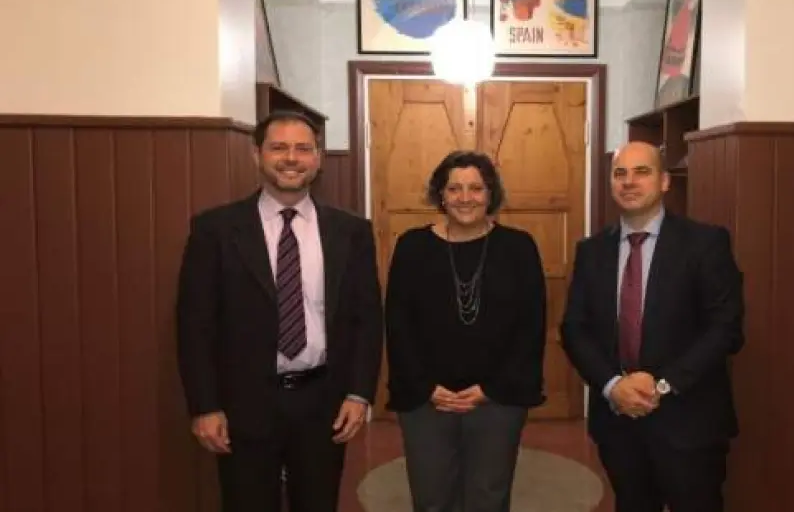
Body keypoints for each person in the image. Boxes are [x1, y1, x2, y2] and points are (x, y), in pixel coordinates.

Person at [175, 110, 383, 512]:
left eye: (303, 148)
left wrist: (359, 393)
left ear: (318, 158)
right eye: (279, 147)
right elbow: (195, 325)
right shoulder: (215, 230)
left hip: (323, 403)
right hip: (243, 405)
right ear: (257, 154)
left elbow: (367, 320)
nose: (291, 158)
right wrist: (204, 405)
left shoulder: (351, 231)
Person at [560, 141, 744, 512]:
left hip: (689, 420)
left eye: (641, 172)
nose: (629, 182)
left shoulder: (705, 243)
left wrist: (661, 385)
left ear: (664, 181)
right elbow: (574, 329)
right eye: (620, 173)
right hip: (618, 421)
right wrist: (613, 386)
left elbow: (726, 328)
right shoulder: (591, 251)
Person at [384, 150, 547, 512]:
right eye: (454, 188)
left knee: (488, 499)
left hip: (498, 399)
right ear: (440, 195)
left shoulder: (519, 247)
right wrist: (427, 388)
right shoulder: (412, 246)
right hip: (426, 400)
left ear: (490, 194)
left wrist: (490, 390)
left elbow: (531, 329)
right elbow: (398, 325)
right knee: (431, 499)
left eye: (476, 188)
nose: (465, 197)